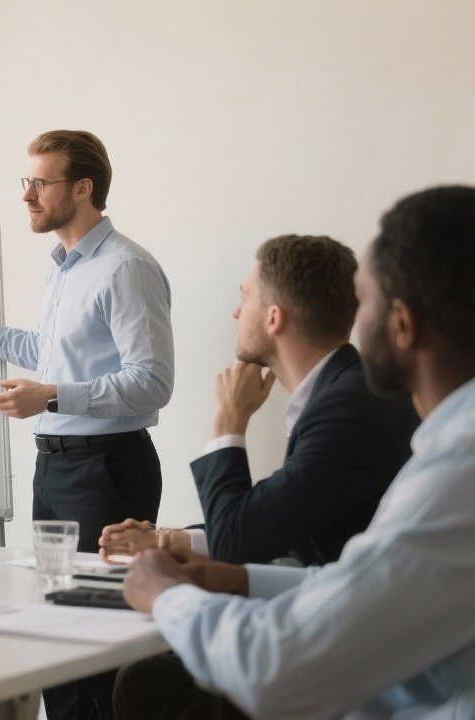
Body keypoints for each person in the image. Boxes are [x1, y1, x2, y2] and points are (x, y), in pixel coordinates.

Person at [123, 185, 475, 719]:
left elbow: (275, 667)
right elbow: (364, 578)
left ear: (402, 323)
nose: (355, 317)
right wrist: (237, 578)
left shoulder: (455, 463)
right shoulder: (444, 441)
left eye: (369, 300)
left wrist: (165, 596)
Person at [0, 129, 174, 720]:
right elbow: (55, 353)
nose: (27, 196)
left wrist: (54, 396)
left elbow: (152, 380)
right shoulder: (66, 269)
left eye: (41, 183)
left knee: (91, 645)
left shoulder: (126, 268)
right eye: (27, 182)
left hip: (107, 470)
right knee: (55, 627)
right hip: (59, 466)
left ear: (83, 188)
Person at [100, 235, 417, 567]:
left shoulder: (348, 410)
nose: (236, 312)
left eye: (245, 297)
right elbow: (273, 522)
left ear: (273, 318)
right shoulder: (348, 391)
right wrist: (163, 540)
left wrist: (228, 421)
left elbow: (237, 543)